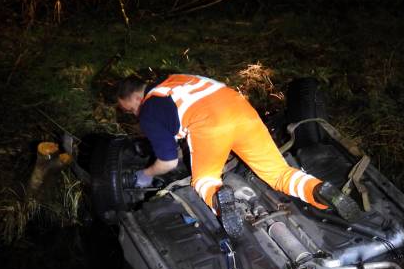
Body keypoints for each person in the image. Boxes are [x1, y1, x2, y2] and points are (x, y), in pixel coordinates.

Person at [116, 74, 361, 237]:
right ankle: (320, 191)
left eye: (131, 109)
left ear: (137, 97)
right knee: (278, 173)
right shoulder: (175, 79)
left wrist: (145, 174)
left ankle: (222, 202)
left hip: (209, 124)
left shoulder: (149, 109)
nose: (135, 114)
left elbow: (168, 162)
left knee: (205, 180)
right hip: (241, 110)